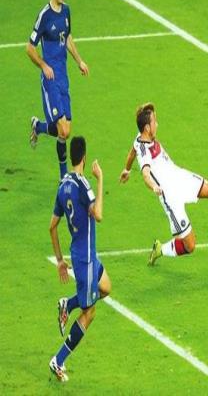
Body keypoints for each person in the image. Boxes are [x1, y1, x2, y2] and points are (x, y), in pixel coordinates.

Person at [119, 103, 208, 265]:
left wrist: (127, 169)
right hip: (171, 197)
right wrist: (154, 186)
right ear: (147, 128)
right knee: (190, 246)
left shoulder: (140, 136)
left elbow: (131, 152)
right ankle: (160, 250)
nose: (157, 124)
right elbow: (145, 174)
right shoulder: (144, 152)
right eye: (154, 122)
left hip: (180, 178)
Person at [48, 136, 111, 381]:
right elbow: (99, 215)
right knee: (90, 312)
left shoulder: (63, 184)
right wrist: (100, 178)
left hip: (82, 254)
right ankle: (58, 360)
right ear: (84, 157)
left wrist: (60, 260)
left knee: (106, 287)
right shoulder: (84, 184)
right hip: (85, 261)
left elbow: (52, 226)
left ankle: (68, 304)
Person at [27, 0, 89, 179]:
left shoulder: (66, 11)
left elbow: (68, 37)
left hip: (63, 77)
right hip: (50, 79)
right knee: (62, 130)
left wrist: (79, 60)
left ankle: (38, 126)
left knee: (66, 131)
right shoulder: (44, 16)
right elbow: (29, 48)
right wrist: (43, 65)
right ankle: (64, 177)